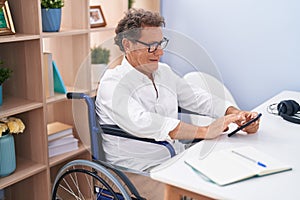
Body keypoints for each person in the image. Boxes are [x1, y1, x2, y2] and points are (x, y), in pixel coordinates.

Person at [95, 8, 260, 172]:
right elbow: (143, 121)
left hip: (175, 158)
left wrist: (236, 114)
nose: (159, 52)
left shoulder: (163, 72)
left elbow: (197, 98)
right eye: (152, 46)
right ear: (127, 45)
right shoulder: (113, 83)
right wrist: (205, 131)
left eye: (160, 44)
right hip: (139, 169)